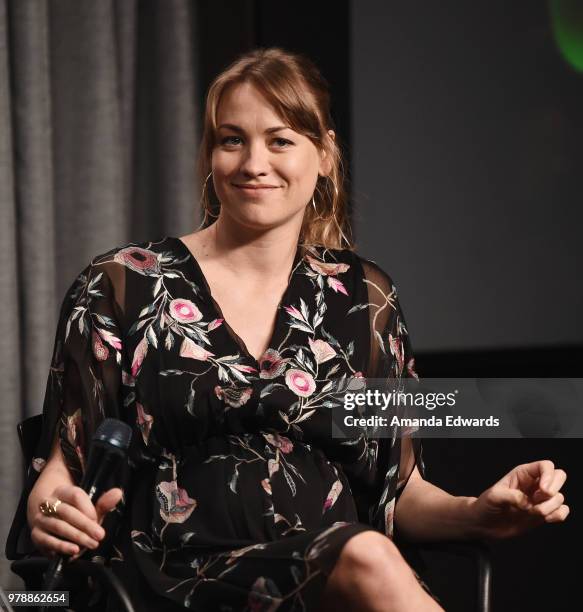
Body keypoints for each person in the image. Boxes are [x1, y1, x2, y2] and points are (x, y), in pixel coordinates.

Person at [8, 48, 569, 611]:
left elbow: (398, 493)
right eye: (233, 140)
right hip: (170, 581)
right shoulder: (123, 285)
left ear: (324, 154)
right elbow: (60, 477)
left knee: (368, 556)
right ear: (209, 154)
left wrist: (482, 513)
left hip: (336, 581)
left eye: (280, 140)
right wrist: (54, 512)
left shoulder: (365, 300)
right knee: (369, 556)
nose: (254, 162)